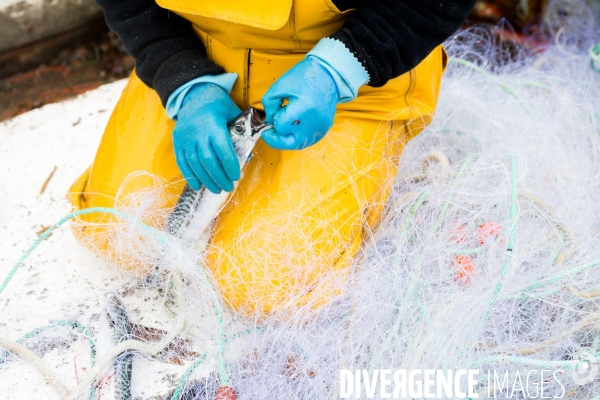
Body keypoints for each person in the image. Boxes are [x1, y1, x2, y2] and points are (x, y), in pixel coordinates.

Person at [68, 0, 476, 316]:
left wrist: (340, 69)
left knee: (267, 285)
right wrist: (180, 75)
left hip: (346, 69)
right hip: (197, 52)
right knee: (113, 233)